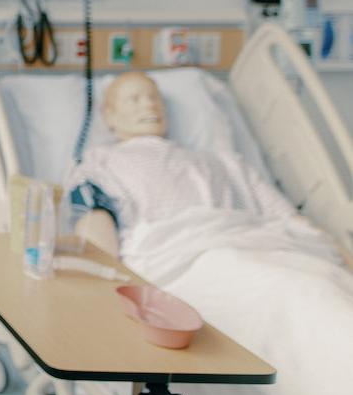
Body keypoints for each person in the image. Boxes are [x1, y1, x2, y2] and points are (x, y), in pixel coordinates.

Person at [67, 70, 304, 258]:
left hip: (251, 246)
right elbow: (96, 235)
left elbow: (288, 217)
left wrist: (331, 249)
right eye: (134, 99)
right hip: (171, 256)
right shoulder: (101, 164)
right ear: (109, 115)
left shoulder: (224, 161)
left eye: (154, 98)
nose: (149, 105)